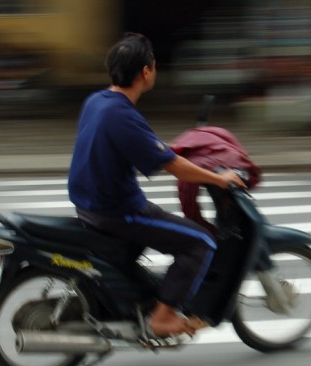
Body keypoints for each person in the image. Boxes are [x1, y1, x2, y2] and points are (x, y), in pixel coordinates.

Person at [67, 33, 245, 337]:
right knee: (200, 242)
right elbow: (173, 166)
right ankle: (161, 317)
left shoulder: (97, 101)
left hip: (89, 205)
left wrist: (167, 148)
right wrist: (219, 178)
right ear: (146, 72)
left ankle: (132, 299)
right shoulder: (122, 114)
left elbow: (135, 146)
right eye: (154, 65)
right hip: (118, 211)